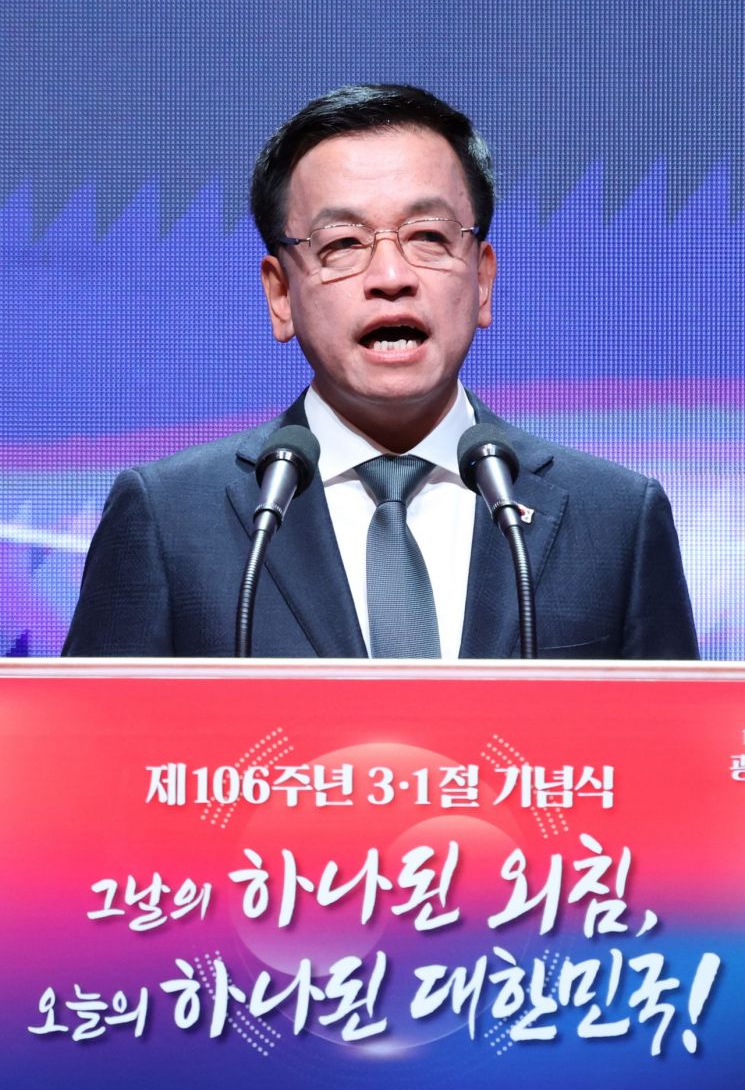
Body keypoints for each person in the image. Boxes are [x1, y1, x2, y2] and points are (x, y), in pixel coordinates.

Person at [63, 84, 698, 660]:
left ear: (482, 281)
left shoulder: (614, 519)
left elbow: (674, 746)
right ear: (280, 295)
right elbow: (91, 745)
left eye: (428, 237)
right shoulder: (170, 519)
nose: (391, 277)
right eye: (342, 244)